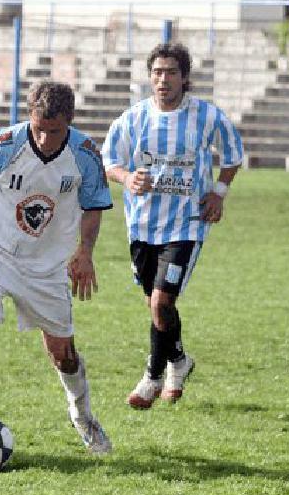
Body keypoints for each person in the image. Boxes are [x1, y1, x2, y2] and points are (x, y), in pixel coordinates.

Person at [0, 80, 113, 454]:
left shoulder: (86, 155)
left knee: (63, 352)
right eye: (38, 129)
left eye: (54, 131)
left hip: (45, 266)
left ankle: (84, 418)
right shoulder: (5, 143)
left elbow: (94, 205)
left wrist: (85, 251)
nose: (44, 139)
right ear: (29, 118)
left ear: (70, 122)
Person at [101, 43, 243, 410]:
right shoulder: (132, 119)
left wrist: (219, 193)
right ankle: (179, 362)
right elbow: (108, 161)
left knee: (163, 301)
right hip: (142, 224)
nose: (163, 79)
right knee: (155, 305)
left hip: (186, 224)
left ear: (184, 77)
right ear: (150, 76)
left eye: (171, 72)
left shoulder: (206, 117)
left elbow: (232, 155)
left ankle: (152, 376)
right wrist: (126, 177)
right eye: (158, 72)